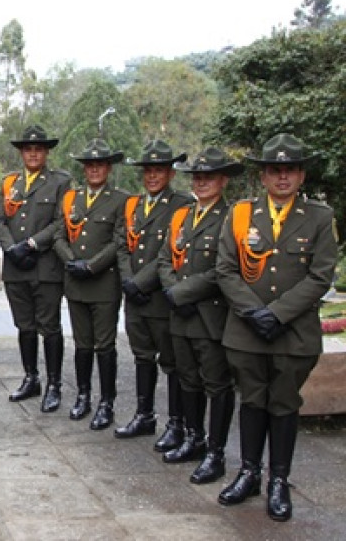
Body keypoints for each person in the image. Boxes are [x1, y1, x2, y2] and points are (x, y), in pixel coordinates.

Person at [215, 133, 336, 522]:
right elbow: (225, 269)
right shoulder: (240, 213)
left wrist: (278, 313)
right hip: (247, 331)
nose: (282, 177)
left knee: (283, 403)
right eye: (274, 170)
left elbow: (320, 277)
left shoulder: (319, 217)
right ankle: (249, 472)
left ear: (301, 175)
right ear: (263, 176)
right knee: (252, 400)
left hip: (293, 334)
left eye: (290, 170)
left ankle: (278, 480)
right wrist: (255, 312)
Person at [157, 148, 243, 482]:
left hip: (211, 314)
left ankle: (216, 453)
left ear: (223, 180)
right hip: (181, 314)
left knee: (216, 384)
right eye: (197, 177)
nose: (202, 182)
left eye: (209, 177)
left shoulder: (231, 217)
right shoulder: (182, 216)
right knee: (187, 379)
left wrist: (182, 292)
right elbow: (166, 258)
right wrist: (173, 290)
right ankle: (194, 438)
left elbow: (225, 269)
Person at [114, 141, 193, 448]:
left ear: (170, 173)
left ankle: (176, 424)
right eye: (148, 170)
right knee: (141, 356)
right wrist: (127, 281)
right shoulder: (133, 204)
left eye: (159, 170)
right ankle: (144, 415)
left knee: (171, 362)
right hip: (134, 298)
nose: (152, 176)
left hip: (161, 297)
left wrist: (141, 283)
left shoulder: (181, 205)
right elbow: (122, 244)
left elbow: (170, 249)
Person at [0, 125, 72, 410]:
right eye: (29, 149)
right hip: (16, 268)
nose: (34, 154)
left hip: (45, 267)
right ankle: (31, 378)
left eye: (39, 149)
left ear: (47, 152)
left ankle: (54, 384)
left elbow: (62, 221)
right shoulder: (9, 183)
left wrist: (31, 244)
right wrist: (11, 248)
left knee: (49, 328)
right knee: (24, 326)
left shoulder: (60, 182)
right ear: (21, 153)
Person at [54, 139, 129, 430]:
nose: (94, 170)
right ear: (84, 169)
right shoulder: (72, 198)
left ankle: (106, 402)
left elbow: (119, 240)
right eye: (90, 165)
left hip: (104, 284)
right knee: (82, 344)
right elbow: (60, 234)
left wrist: (92, 265)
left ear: (108, 167)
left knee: (105, 346)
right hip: (75, 282)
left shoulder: (121, 200)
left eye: (100, 164)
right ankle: (83, 395)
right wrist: (71, 260)